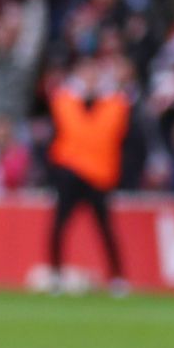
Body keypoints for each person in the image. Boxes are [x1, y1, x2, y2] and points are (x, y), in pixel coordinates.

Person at [44, 56, 130, 293]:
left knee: (105, 229)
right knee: (59, 226)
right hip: (70, 174)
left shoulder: (114, 102)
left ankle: (117, 277)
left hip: (100, 177)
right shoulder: (65, 99)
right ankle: (55, 275)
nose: (90, 79)